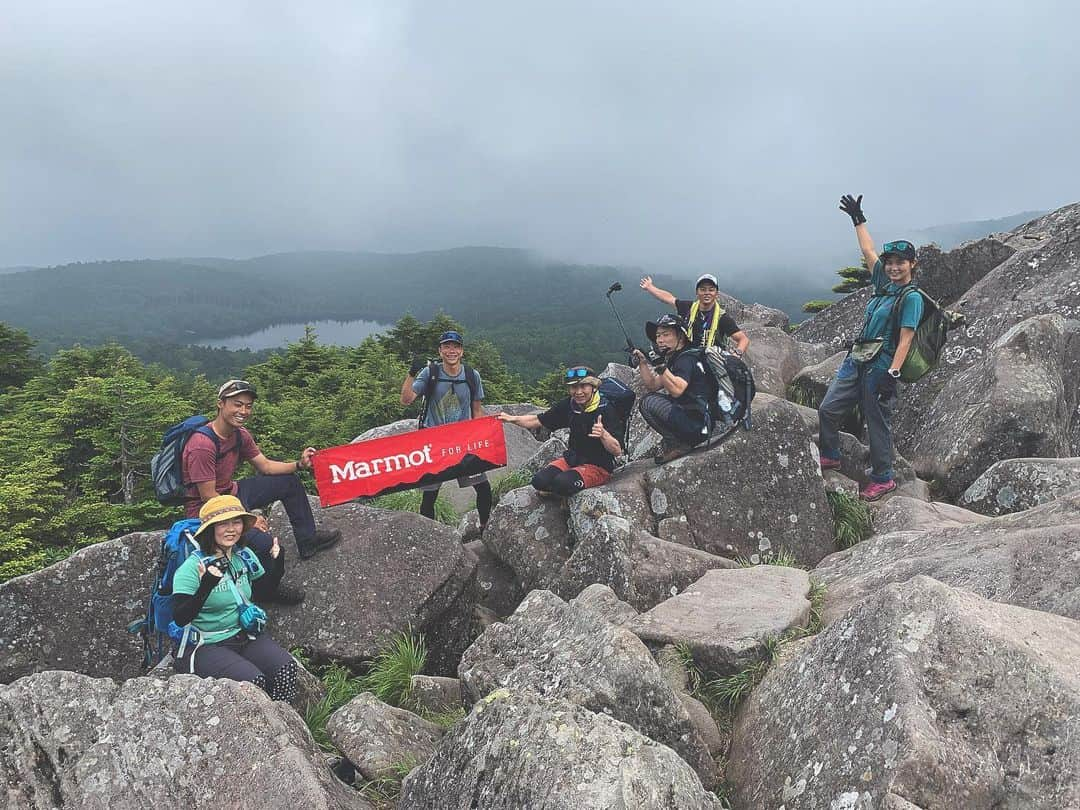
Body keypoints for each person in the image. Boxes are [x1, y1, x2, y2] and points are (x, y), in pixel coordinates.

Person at [181, 379, 342, 604]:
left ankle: (308, 541)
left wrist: (299, 464)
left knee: (289, 482)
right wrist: (247, 519)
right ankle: (267, 591)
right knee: (269, 547)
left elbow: (265, 466)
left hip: (232, 494)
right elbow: (209, 497)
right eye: (237, 404)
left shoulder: (239, 434)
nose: (243, 411)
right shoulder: (202, 445)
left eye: (248, 406)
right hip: (207, 511)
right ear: (221, 404)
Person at [818, 194, 924, 501]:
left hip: (881, 365)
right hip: (858, 358)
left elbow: (906, 339)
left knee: (876, 422)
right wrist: (857, 218)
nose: (892, 267)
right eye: (890, 263)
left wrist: (893, 373)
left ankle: (883, 478)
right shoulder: (883, 284)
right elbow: (867, 250)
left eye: (899, 263)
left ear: (911, 264)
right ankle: (831, 454)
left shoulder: (911, 298)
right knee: (828, 408)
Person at [171, 495, 298, 702]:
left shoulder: (244, 556)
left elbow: (264, 592)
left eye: (236, 522)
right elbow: (180, 617)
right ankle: (257, 730)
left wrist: (278, 564)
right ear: (210, 529)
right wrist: (206, 585)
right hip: (206, 643)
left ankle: (282, 723)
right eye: (222, 523)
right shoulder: (190, 569)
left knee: (286, 669)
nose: (231, 529)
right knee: (253, 683)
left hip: (243, 635)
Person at [400, 330, 493, 527]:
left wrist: (480, 439)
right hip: (434, 442)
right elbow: (406, 400)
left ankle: (485, 528)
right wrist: (411, 373)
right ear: (440, 351)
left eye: (456, 347)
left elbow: (477, 409)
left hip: (463, 441)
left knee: (483, 488)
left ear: (462, 351)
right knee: (429, 495)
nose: (452, 351)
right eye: (447, 346)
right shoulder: (430, 373)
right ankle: (432, 536)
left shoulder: (471, 375)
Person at [497, 366, 624, 496]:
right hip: (573, 459)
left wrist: (603, 434)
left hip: (598, 466)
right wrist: (512, 418)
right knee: (539, 481)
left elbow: (617, 450)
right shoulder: (570, 405)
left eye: (583, 386)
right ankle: (564, 487)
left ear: (593, 387)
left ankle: (566, 490)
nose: (578, 392)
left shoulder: (606, 409)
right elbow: (537, 420)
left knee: (562, 483)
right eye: (574, 387)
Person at [632, 314, 715, 464]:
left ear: (681, 337)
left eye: (666, 335)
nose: (659, 340)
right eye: (658, 336)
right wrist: (643, 363)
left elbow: (677, 390)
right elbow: (653, 385)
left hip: (698, 424)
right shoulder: (676, 357)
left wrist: (661, 367)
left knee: (647, 402)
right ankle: (681, 442)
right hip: (697, 419)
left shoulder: (686, 359)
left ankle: (680, 444)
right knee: (649, 399)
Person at [639, 273, 750, 355]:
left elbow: (743, 339)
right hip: (687, 357)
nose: (707, 293)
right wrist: (650, 287)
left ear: (716, 294)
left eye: (711, 290)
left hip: (712, 361)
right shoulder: (689, 308)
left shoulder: (722, 318)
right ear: (697, 293)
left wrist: (737, 354)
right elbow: (669, 298)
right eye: (703, 289)